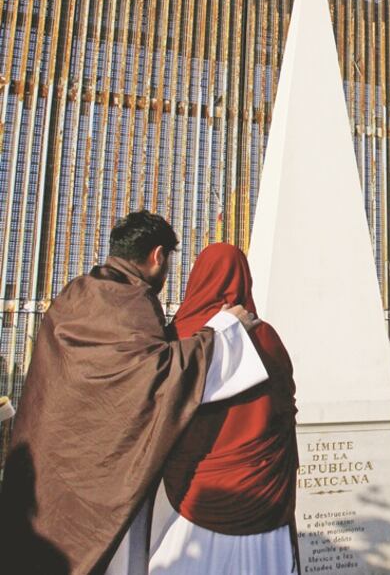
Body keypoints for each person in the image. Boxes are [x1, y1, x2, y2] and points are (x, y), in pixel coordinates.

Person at [0, 211, 267, 574]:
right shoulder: (131, 300)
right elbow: (153, 378)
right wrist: (222, 332)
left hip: (52, 461)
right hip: (103, 473)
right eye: (169, 261)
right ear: (158, 255)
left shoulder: (76, 291)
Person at [148, 243, 299, 574]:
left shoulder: (176, 340)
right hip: (263, 499)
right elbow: (286, 408)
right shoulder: (267, 337)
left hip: (190, 501)